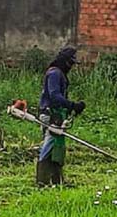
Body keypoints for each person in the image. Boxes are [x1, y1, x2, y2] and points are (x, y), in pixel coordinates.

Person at [36, 46, 85, 186]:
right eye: (71, 63)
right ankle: (43, 180)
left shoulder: (59, 74)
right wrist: (72, 105)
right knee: (50, 144)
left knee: (57, 147)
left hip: (57, 114)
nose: (71, 67)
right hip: (51, 115)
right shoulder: (54, 74)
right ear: (65, 61)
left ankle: (57, 180)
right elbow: (55, 96)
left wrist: (70, 109)